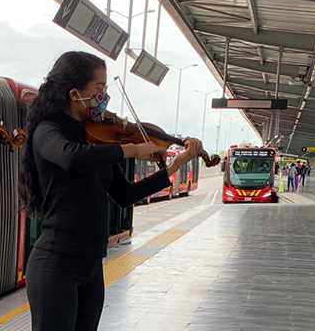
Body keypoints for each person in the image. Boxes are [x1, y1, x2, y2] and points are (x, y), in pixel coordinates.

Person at [19, 51, 202, 331]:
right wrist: (131, 150)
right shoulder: (49, 131)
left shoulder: (97, 135)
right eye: (100, 89)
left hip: (91, 265)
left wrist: (177, 163)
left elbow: (125, 194)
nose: (104, 98)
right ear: (74, 93)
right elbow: (71, 157)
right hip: (56, 265)